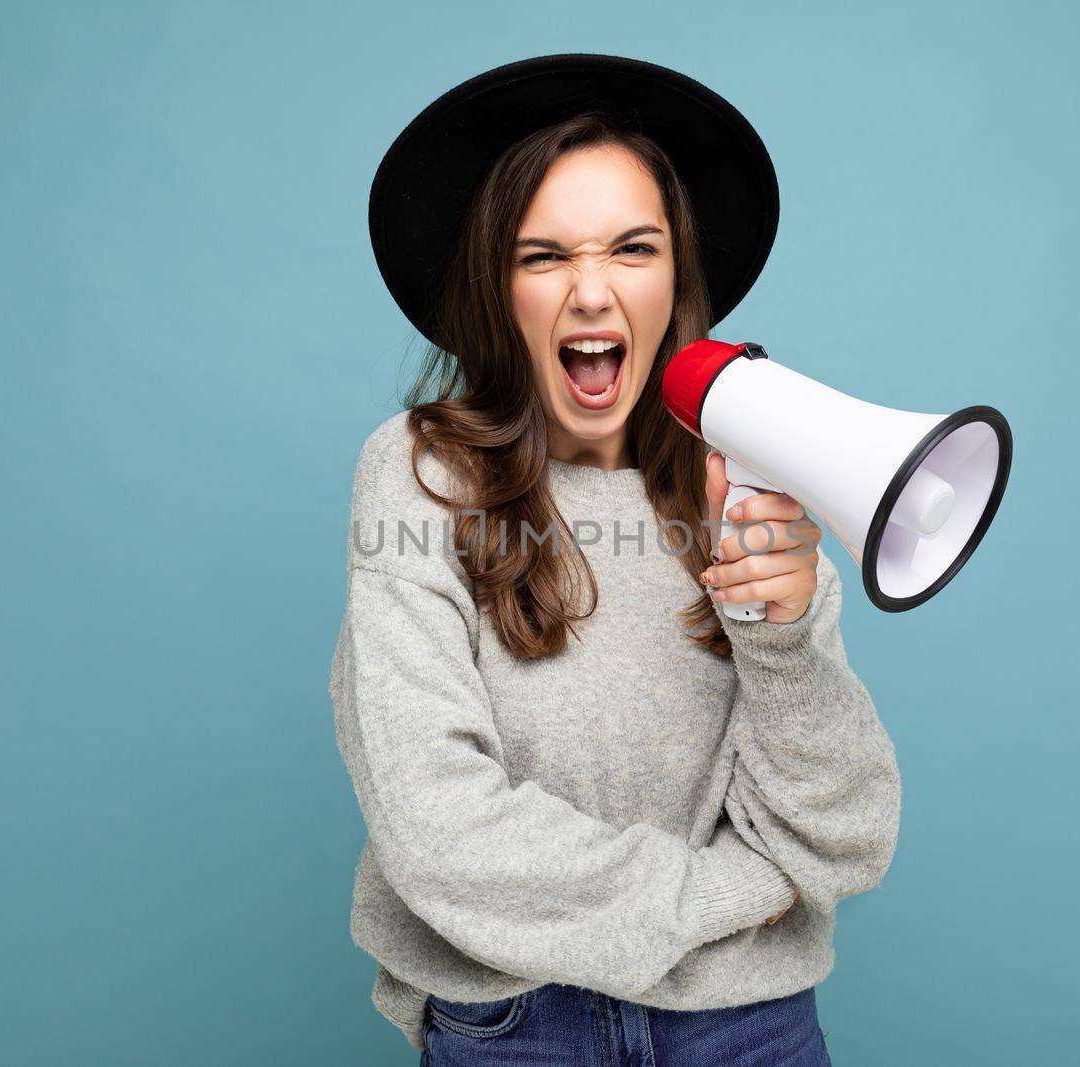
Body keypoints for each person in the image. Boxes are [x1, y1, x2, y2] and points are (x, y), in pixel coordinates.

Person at [331, 53, 902, 1066]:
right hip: (520, 1025)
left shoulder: (750, 478)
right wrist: (731, 892)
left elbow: (845, 833)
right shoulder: (419, 475)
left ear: (676, 273)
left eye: (631, 248)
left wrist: (783, 639)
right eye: (542, 255)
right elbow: (437, 829)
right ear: (494, 286)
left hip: (751, 1024)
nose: (591, 291)